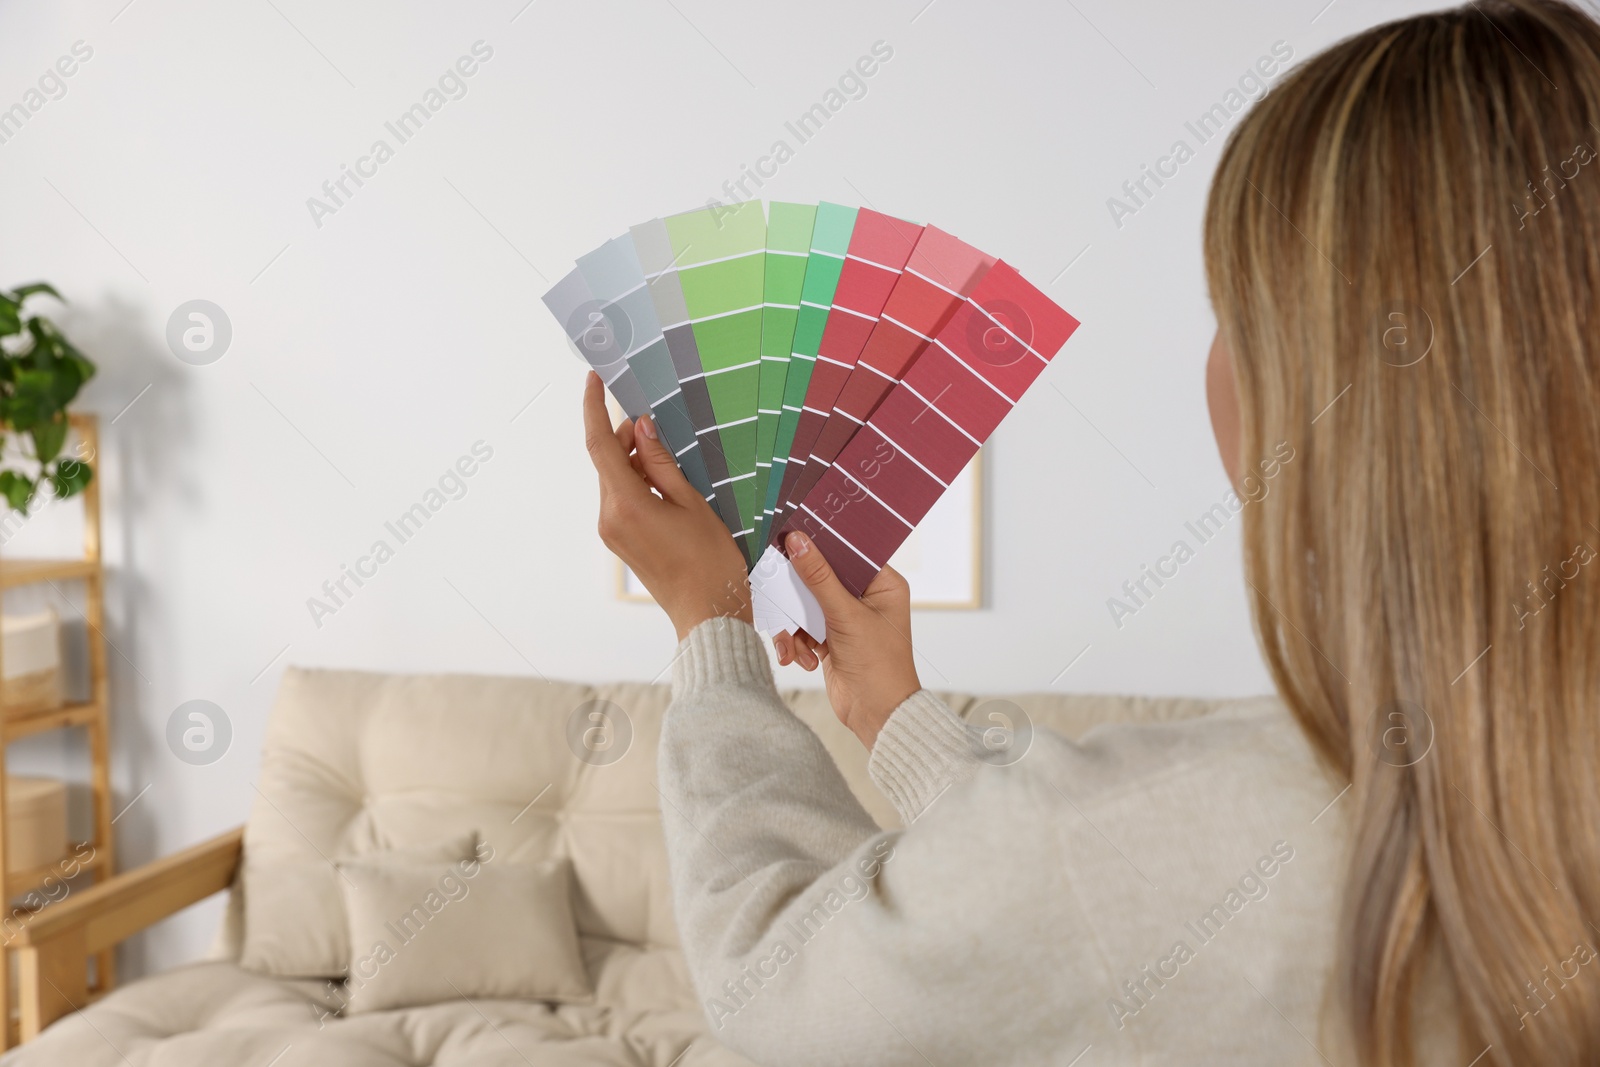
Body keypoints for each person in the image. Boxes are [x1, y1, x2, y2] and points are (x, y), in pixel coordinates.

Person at [582, 1, 1600, 1062]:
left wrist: (712, 624)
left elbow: (782, 989)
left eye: (1235, 313)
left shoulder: (1193, 832)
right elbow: (1075, 888)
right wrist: (895, 712)